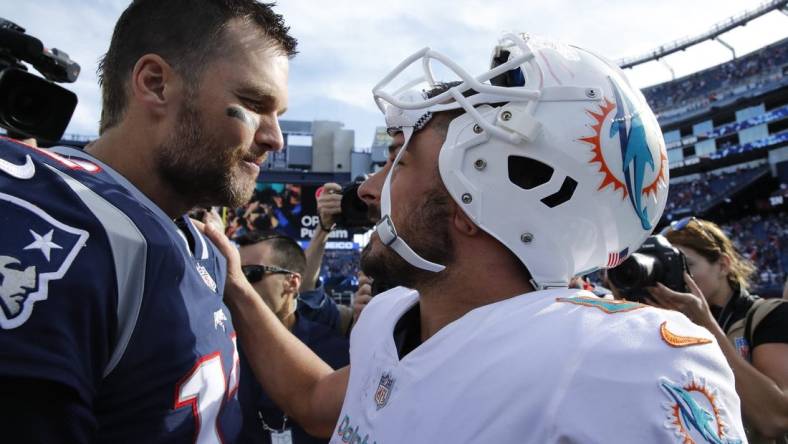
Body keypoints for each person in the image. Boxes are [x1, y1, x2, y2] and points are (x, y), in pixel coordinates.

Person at [203, 33, 747, 442]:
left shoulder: (626, 362)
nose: (369, 190)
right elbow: (319, 399)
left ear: (476, 195)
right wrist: (239, 287)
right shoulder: (395, 315)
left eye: (401, 160)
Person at [0, 1, 296, 442]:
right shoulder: (49, 213)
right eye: (254, 102)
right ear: (156, 84)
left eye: (279, 115)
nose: (275, 137)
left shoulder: (202, 245)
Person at [650, 217, 788, 442]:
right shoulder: (671, 326)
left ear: (723, 265)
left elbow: (775, 420)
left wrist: (706, 325)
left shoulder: (770, 315)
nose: (675, 276)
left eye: (685, 266)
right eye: (667, 268)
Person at [236, 232, 349, 443]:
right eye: (234, 273)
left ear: (292, 282)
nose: (239, 284)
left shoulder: (334, 351)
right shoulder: (224, 347)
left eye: (251, 274)